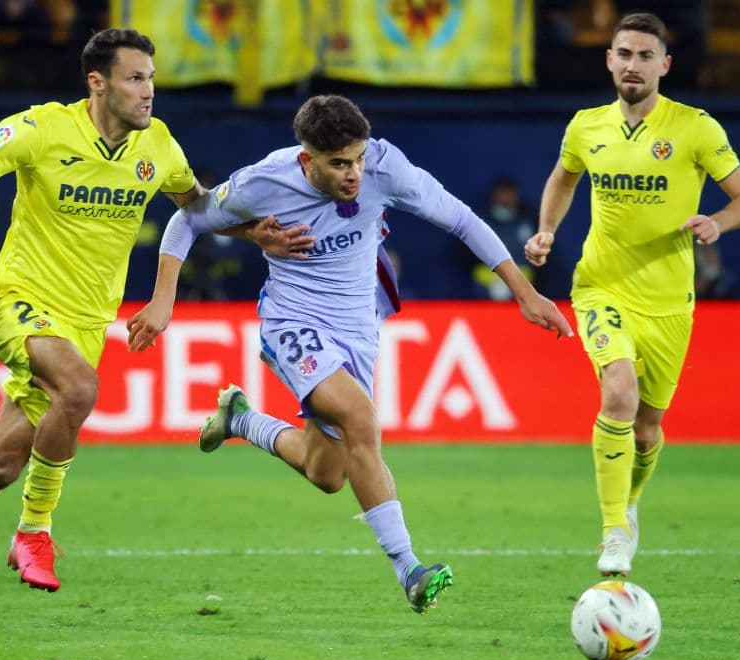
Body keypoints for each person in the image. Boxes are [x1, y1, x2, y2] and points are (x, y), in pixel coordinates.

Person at [0, 28, 311, 599]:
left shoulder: (157, 146)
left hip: (85, 323)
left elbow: (198, 208)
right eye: (135, 79)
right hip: (20, 301)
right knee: (81, 389)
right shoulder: (41, 129)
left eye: (151, 79)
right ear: (98, 83)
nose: (148, 91)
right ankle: (34, 532)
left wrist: (256, 234)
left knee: (2, 467)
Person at [126, 94, 573, 614]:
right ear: (306, 159)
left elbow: (461, 219)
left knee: (328, 473)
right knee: (361, 417)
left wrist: (525, 292)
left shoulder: (386, 167)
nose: (355, 172)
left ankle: (241, 420)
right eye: (339, 163)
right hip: (293, 320)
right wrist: (165, 300)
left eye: (358, 158)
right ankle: (409, 568)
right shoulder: (266, 179)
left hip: (359, 327)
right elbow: (189, 219)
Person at [524, 12, 740, 577]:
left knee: (649, 428)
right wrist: (548, 230)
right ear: (609, 60)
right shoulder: (586, 126)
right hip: (601, 285)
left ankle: (628, 506)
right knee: (619, 394)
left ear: (664, 65)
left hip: (669, 301)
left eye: (645, 56)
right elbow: (564, 177)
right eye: (624, 54)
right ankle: (611, 532)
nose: (633, 65)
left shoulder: (696, 128)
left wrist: (717, 224)